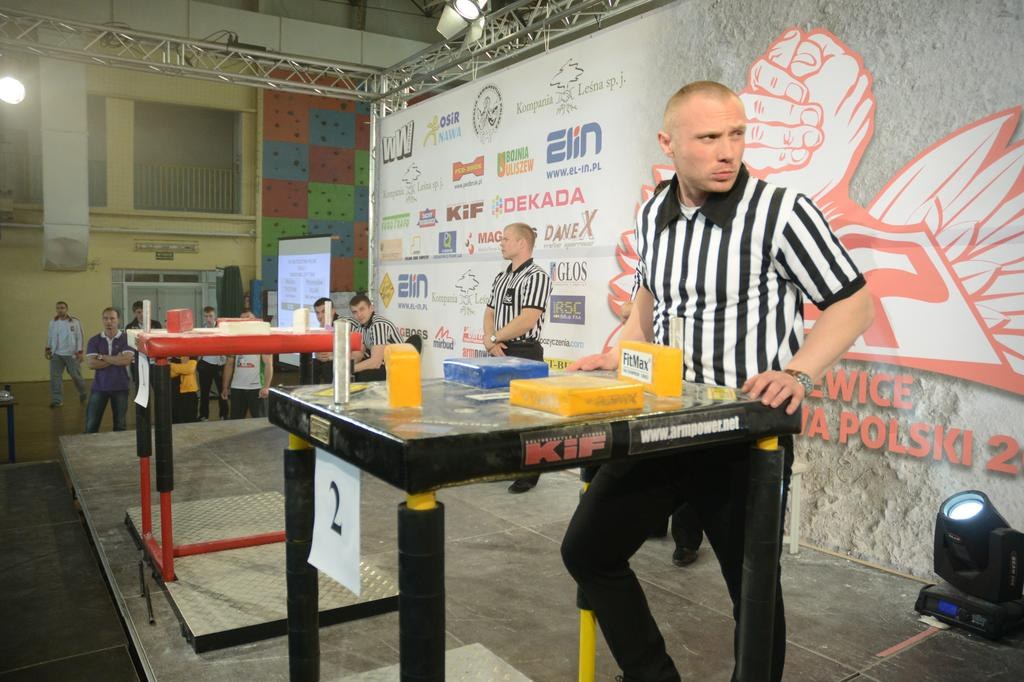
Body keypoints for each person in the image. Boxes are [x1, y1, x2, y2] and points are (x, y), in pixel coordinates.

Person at [560, 81, 874, 681]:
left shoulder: (781, 211)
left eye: (736, 134)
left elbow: (853, 304)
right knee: (587, 552)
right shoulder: (654, 212)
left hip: (744, 439)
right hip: (664, 424)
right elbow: (648, 295)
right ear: (669, 143)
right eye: (708, 137)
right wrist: (618, 350)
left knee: (752, 596)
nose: (727, 151)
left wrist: (798, 372)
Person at [484, 222, 552, 494]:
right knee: (502, 413)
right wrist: (491, 341)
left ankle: (529, 473)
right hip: (499, 350)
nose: (500, 242)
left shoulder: (537, 276)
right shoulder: (501, 277)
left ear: (522, 243)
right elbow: (489, 312)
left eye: (506, 238)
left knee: (528, 417)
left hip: (525, 352)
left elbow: (527, 319)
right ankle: (506, 465)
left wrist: (493, 337)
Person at [85, 307, 135, 433]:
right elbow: (91, 363)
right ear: (102, 320)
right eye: (106, 318)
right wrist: (116, 358)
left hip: (121, 387)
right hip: (99, 387)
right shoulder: (94, 340)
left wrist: (101, 356)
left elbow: (126, 360)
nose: (109, 321)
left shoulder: (127, 339)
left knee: (120, 426)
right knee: (91, 425)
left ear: (118, 320)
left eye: (112, 318)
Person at [221, 312, 273, 419]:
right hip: (237, 387)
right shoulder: (234, 339)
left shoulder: (262, 339)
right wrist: (225, 387)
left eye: (248, 319)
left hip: (257, 387)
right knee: (236, 422)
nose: (245, 322)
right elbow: (229, 364)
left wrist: (266, 387)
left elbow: (268, 364)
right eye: (242, 320)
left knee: (260, 422)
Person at [348, 294, 403, 382]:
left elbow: (375, 362)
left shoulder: (378, 325)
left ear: (371, 308)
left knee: (363, 375)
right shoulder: (360, 327)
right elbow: (359, 353)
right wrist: (345, 365)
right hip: (383, 364)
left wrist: (349, 369)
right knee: (351, 372)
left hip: (396, 367)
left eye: (362, 309)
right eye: (355, 312)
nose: (359, 315)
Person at [45, 300, 87, 407]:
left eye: (62, 308)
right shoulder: (53, 322)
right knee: (55, 377)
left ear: (66, 309)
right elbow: (50, 336)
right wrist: (48, 349)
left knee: (76, 376)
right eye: (58, 308)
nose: (60, 310)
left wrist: (80, 352)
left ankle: (82, 392)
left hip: (72, 354)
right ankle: (57, 400)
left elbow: (80, 337)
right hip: (56, 354)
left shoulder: (75, 322)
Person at [196, 306, 228, 420]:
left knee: (222, 391)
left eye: (210, 316)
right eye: (206, 316)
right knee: (204, 392)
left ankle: (224, 415)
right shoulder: (201, 330)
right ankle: (204, 415)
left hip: (219, 365)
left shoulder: (221, 329)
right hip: (205, 363)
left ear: (215, 316)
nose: (208, 319)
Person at [125, 300, 163, 387]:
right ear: (134, 313)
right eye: (139, 312)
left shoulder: (156, 324)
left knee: (157, 387)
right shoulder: (129, 327)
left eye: (144, 312)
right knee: (140, 388)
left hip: (153, 362)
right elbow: (129, 345)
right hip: (137, 362)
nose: (142, 314)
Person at [169, 356, 199, 423]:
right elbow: (170, 373)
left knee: (191, 419)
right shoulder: (171, 356)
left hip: (189, 392)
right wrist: (183, 367)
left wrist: (171, 365)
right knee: (176, 420)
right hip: (174, 393)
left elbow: (189, 369)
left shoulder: (191, 354)